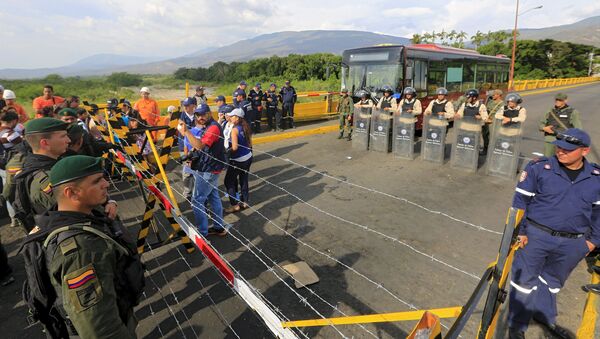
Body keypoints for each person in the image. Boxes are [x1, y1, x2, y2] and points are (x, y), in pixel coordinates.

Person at [508, 128, 599, 339]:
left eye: (568, 149)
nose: (561, 151)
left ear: (584, 151)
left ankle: (545, 317)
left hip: (573, 244)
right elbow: (520, 202)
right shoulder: (539, 168)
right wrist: (521, 232)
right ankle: (517, 326)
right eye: (559, 147)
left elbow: (598, 214)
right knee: (523, 283)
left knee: (552, 282)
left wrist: (592, 242)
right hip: (536, 236)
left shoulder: (596, 178)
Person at [39, 155, 144, 338]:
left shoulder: (74, 213)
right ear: (71, 193)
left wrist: (110, 202)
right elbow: (100, 328)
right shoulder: (81, 250)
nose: (106, 184)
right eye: (97, 181)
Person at [16, 118, 118, 230]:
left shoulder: (42, 165)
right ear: (45, 143)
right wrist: (107, 206)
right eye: (63, 136)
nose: (68, 140)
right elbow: (79, 210)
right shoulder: (46, 178)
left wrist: (110, 201)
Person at [177, 104, 229, 237]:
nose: (200, 117)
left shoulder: (213, 128)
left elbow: (200, 145)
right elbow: (202, 146)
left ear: (209, 113)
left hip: (209, 169)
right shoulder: (209, 126)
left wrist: (187, 132)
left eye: (203, 114)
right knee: (213, 197)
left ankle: (202, 233)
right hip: (212, 167)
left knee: (197, 200)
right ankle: (218, 227)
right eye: (198, 115)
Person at [223, 108, 253, 213]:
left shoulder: (235, 130)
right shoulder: (246, 127)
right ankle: (245, 201)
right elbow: (249, 143)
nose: (230, 117)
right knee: (244, 179)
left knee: (228, 181)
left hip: (238, 159)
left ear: (237, 118)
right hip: (248, 156)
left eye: (232, 116)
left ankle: (234, 205)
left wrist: (226, 152)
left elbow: (235, 147)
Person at [539, 93, 582, 157]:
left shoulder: (573, 112)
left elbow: (578, 129)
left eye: (560, 100)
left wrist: (575, 142)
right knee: (547, 160)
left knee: (562, 161)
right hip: (550, 140)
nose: (557, 101)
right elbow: (541, 124)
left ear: (565, 100)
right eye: (556, 99)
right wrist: (544, 128)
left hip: (564, 141)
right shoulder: (549, 111)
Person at [0, 111, 24, 228]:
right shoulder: (9, 134)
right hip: (12, 165)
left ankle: (13, 218)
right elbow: (23, 146)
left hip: (2, 166)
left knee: (7, 190)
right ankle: (20, 216)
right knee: (16, 192)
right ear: (13, 121)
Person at [180, 97, 197, 200]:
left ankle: (195, 190)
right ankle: (187, 192)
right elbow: (182, 131)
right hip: (185, 147)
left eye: (188, 105)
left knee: (196, 169)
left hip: (196, 146)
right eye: (184, 105)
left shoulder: (197, 115)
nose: (185, 107)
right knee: (187, 171)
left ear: (193, 106)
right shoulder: (181, 116)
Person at [483, 89, 504, 154]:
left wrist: (492, 120)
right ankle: (485, 149)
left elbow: (501, 115)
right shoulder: (490, 101)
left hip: (494, 123)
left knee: (493, 136)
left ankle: (494, 151)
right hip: (487, 121)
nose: (492, 95)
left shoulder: (502, 104)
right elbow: (486, 109)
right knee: (485, 135)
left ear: (498, 95)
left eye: (494, 94)